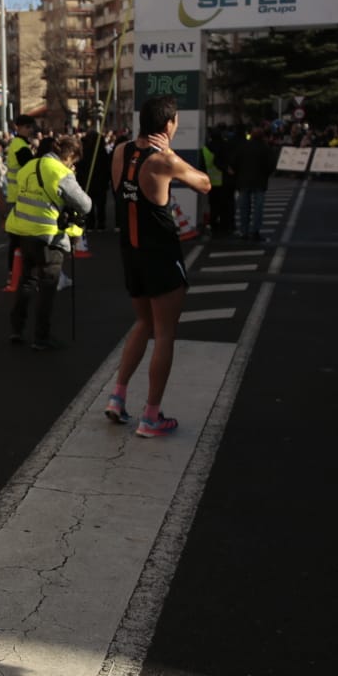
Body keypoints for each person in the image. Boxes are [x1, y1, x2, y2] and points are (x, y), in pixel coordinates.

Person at [107, 96, 212, 438]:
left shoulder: (121, 151)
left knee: (143, 321)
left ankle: (117, 397)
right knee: (164, 333)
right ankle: (151, 416)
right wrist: (172, 156)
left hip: (130, 252)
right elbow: (205, 183)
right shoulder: (163, 161)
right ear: (168, 125)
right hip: (160, 253)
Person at [3, 134, 91, 350]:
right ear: (69, 155)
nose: (72, 165)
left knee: (26, 281)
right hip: (49, 235)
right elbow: (85, 204)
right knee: (48, 285)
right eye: (73, 161)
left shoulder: (29, 166)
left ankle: (17, 329)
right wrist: (71, 177)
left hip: (24, 232)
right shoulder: (61, 172)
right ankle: (41, 337)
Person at [2, 115, 37, 288]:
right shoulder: (20, 146)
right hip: (19, 197)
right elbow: (30, 169)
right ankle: (15, 272)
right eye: (27, 127)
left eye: (30, 126)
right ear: (19, 127)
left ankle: (14, 272)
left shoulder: (18, 144)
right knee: (18, 238)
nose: (30, 130)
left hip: (15, 196)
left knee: (16, 237)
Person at [231, 125, 273, 242]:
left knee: (244, 208)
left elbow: (234, 162)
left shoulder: (243, 146)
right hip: (260, 182)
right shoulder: (265, 148)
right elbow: (271, 165)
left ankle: (244, 231)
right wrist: (265, 174)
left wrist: (238, 174)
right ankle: (255, 231)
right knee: (258, 208)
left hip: (243, 182)